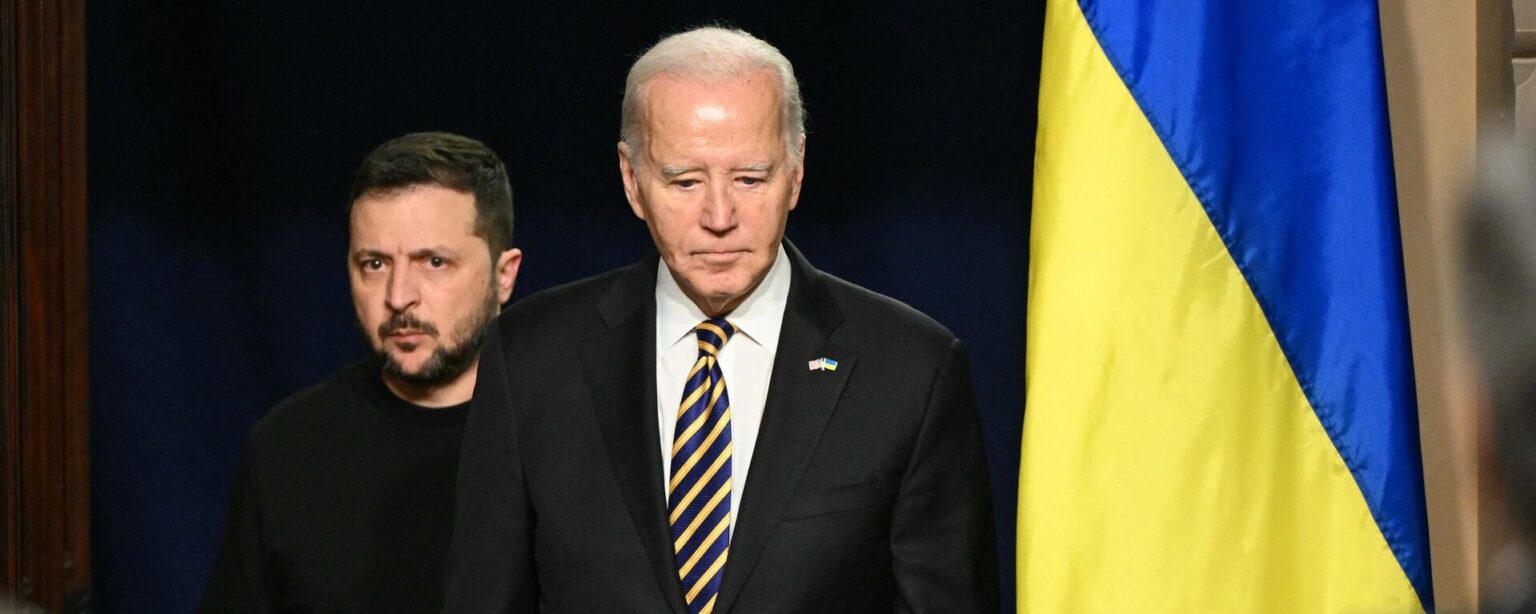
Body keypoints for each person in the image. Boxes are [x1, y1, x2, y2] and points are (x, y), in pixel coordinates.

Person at [445, 27, 997, 613]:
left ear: (796, 170)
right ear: (633, 181)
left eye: (749, 179)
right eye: (684, 181)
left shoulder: (911, 370)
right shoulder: (533, 356)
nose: (719, 216)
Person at [200, 132, 522, 613]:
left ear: (503, 276)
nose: (398, 296)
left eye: (433, 262)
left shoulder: (564, 441)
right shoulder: (289, 447)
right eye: (374, 264)